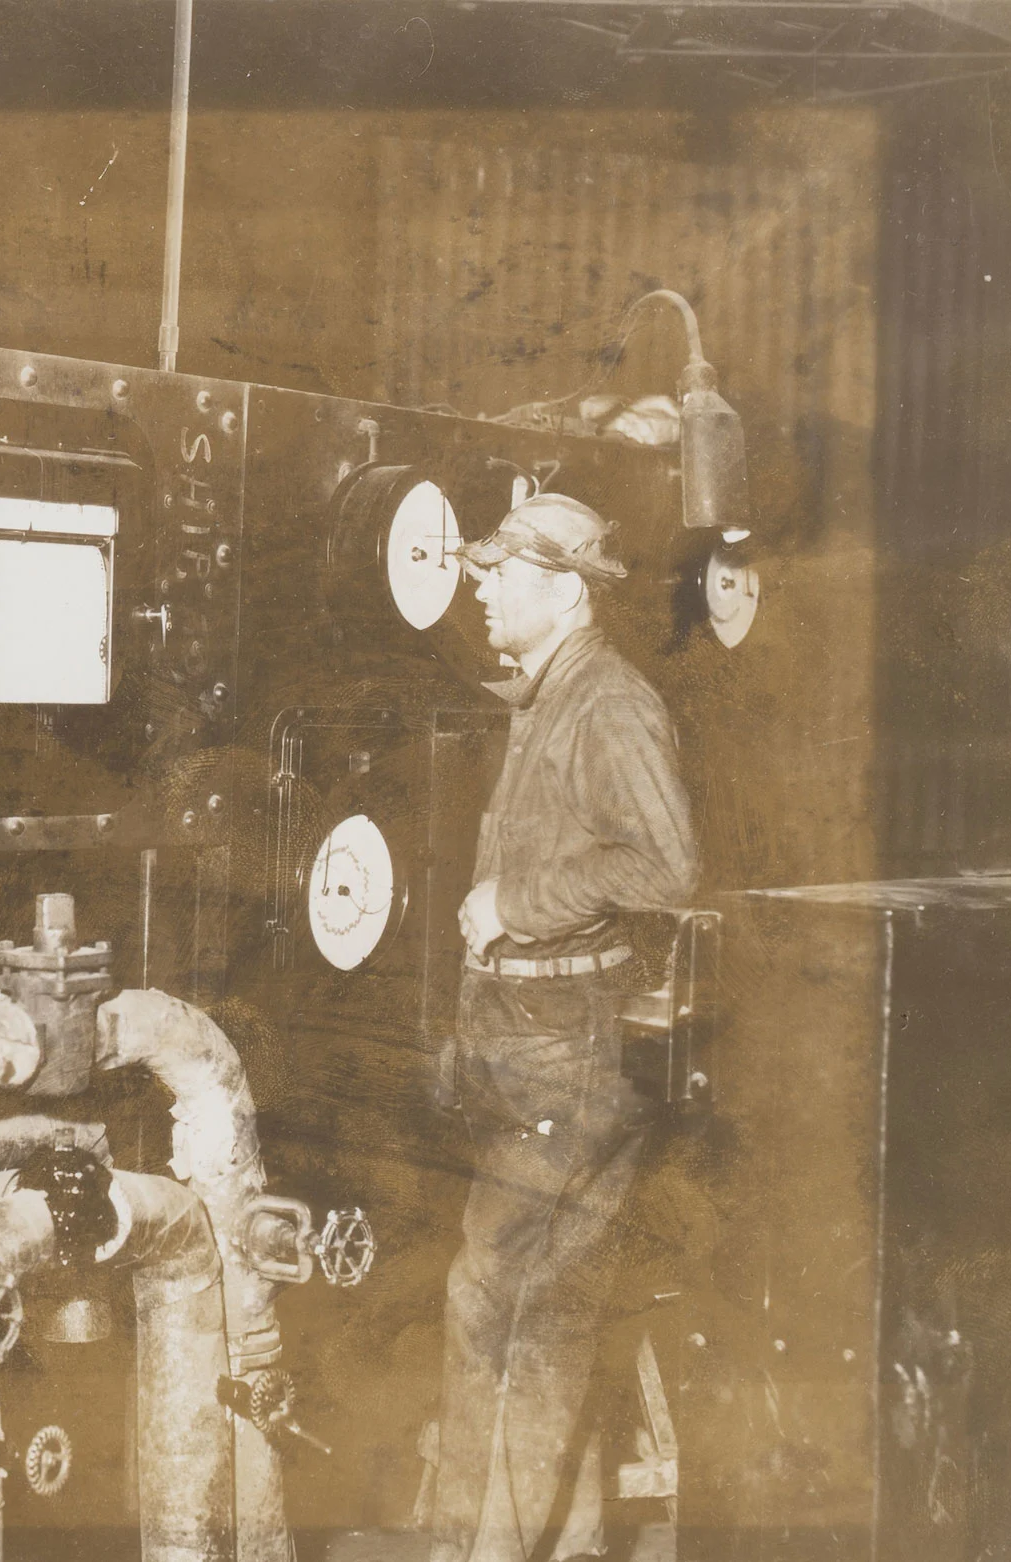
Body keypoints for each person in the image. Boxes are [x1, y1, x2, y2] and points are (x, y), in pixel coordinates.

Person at [432, 494, 698, 1562]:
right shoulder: (543, 695)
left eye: (498, 569)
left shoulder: (608, 704)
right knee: (536, 1298)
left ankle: (473, 1553)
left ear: (565, 587)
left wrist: (516, 903)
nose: (478, 586)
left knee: (495, 1300)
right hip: (525, 1035)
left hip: (571, 1048)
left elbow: (668, 868)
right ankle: (569, 1542)